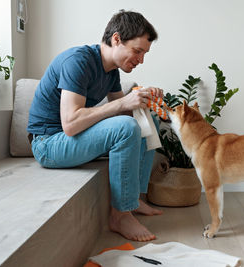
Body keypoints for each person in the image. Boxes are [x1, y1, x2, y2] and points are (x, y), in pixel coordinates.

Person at [27, 10, 163, 242]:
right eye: (137, 51)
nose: (141, 60)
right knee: (127, 127)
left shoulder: (110, 72)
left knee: (148, 120)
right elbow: (70, 124)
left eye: (144, 54)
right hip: (48, 143)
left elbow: (126, 113)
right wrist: (123, 102)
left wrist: (144, 101)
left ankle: (135, 197)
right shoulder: (78, 61)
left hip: (72, 140)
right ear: (116, 39)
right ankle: (120, 215)